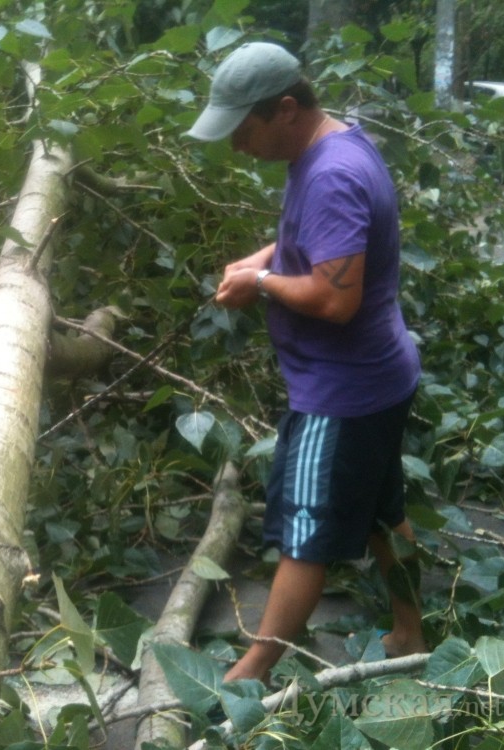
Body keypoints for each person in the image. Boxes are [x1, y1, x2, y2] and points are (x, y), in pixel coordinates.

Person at [186, 42, 427, 683]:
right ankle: (409, 631)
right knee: (382, 513)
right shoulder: (334, 146)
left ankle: (251, 673)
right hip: (382, 375)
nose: (237, 145)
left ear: (286, 109)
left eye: (243, 130)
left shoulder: (330, 176)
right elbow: (322, 240)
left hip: (343, 393)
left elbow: (334, 298)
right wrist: (263, 258)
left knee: (305, 531)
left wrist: (261, 283)